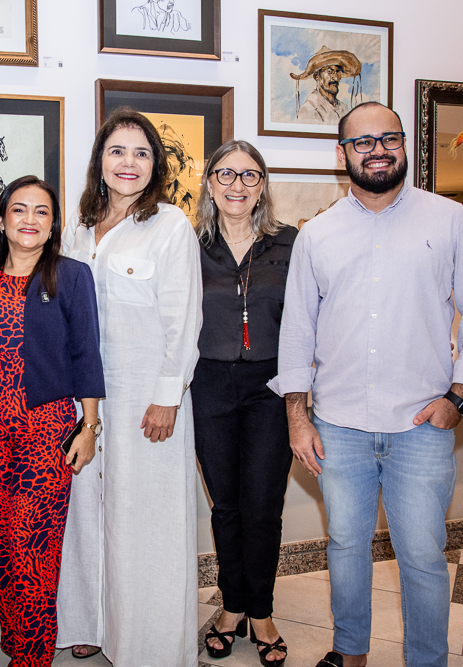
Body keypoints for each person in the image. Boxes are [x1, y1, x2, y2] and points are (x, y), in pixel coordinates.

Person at [267, 102, 463, 667]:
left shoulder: (450, 221)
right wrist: (298, 417)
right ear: (342, 154)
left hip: (421, 425)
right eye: (362, 141)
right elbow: (297, 330)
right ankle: (350, 651)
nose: (377, 150)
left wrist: (460, 397)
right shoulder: (317, 234)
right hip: (338, 425)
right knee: (346, 545)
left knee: (421, 554)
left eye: (388, 138)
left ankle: (426, 659)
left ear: (404, 144)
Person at [56, 108, 203, 666]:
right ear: (100, 161)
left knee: (144, 519)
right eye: (117, 151)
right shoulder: (77, 229)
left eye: (141, 153)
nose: (128, 163)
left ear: (155, 165)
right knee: (86, 512)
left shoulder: (169, 225)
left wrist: (168, 397)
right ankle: (91, 621)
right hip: (84, 400)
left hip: (147, 399)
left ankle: (147, 643)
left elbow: (183, 319)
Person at [0, 176, 105, 667]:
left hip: (45, 430)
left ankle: (32, 657)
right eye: (19, 209)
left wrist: (89, 427)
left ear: (53, 225)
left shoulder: (70, 276)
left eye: (41, 211)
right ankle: (16, 640)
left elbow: (86, 354)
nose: (29, 219)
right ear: (2, 220)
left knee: (34, 548)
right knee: (2, 544)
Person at [192, 140, 296, 665]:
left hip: (270, 388)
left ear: (262, 186)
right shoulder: (190, 245)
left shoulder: (290, 243)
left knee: (263, 504)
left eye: (249, 175)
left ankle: (262, 611)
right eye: (226, 174)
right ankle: (232, 605)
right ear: (210, 183)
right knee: (227, 504)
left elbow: (310, 318)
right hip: (208, 384)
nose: (237, 185)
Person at [290, 47, 362, 124]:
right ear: (317, 76)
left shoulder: (344, 108)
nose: (335, 77)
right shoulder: (310, 109)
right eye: (330, 71)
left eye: (337, 71)